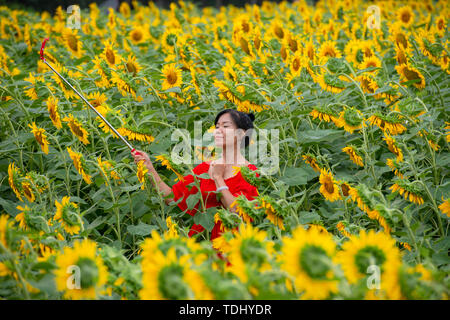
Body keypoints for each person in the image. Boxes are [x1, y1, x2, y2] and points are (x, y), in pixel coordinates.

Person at [131, 109, 259, 241]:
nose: (218, 131)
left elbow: (239, 214)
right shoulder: (204, 168)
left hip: (231, 247)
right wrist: (150, 169)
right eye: (217, 127)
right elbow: (173, 198)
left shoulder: (250, 172)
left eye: (225, 126)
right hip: (200, 245)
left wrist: (218, 178)